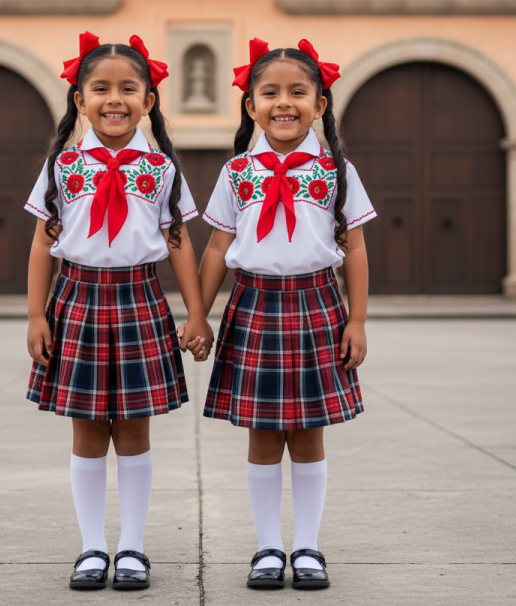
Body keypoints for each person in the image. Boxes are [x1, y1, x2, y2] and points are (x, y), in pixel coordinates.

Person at [24, 32, 213, 591]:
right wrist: (37, 315)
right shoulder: (62, 165)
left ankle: (131, 547)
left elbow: (179, 242)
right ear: (78, 99)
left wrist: (197, 314)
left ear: (148, 101)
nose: (115, 98)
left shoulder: (160, 169)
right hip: (77, 301)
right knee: (87, 431)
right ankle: (90, 548)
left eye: (129, 88)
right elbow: (42, 242)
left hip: (139, 300)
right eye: (100, 87)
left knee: (133, 430)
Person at [197, 38, 376, 589]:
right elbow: (215, 250)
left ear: (320, 104)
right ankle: (268, 548)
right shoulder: (237, 174)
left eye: (299, 92)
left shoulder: (336, 173)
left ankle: (308, 547)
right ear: (250, 105)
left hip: (318, 305)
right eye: (269, 92)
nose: (284, 102)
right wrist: (197, 315)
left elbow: (358, 248)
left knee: (309, 435)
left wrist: (358, 321)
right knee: (262, 435)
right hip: (253, 306)